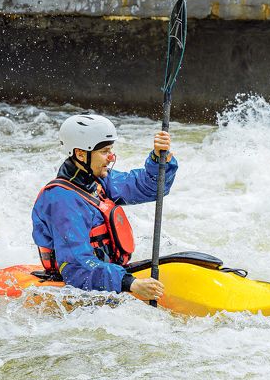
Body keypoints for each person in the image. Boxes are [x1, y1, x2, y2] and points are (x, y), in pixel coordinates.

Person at [31, 114, 177, 301]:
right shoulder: (62, 200)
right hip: (81, 287)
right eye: (104, 151)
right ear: (80, 154)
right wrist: (129, 283)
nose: (111, 157)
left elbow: (151, 187)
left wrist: (159, 159)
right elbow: (75, 266)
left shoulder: (99, 181)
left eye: (111, 150)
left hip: (107, 276)